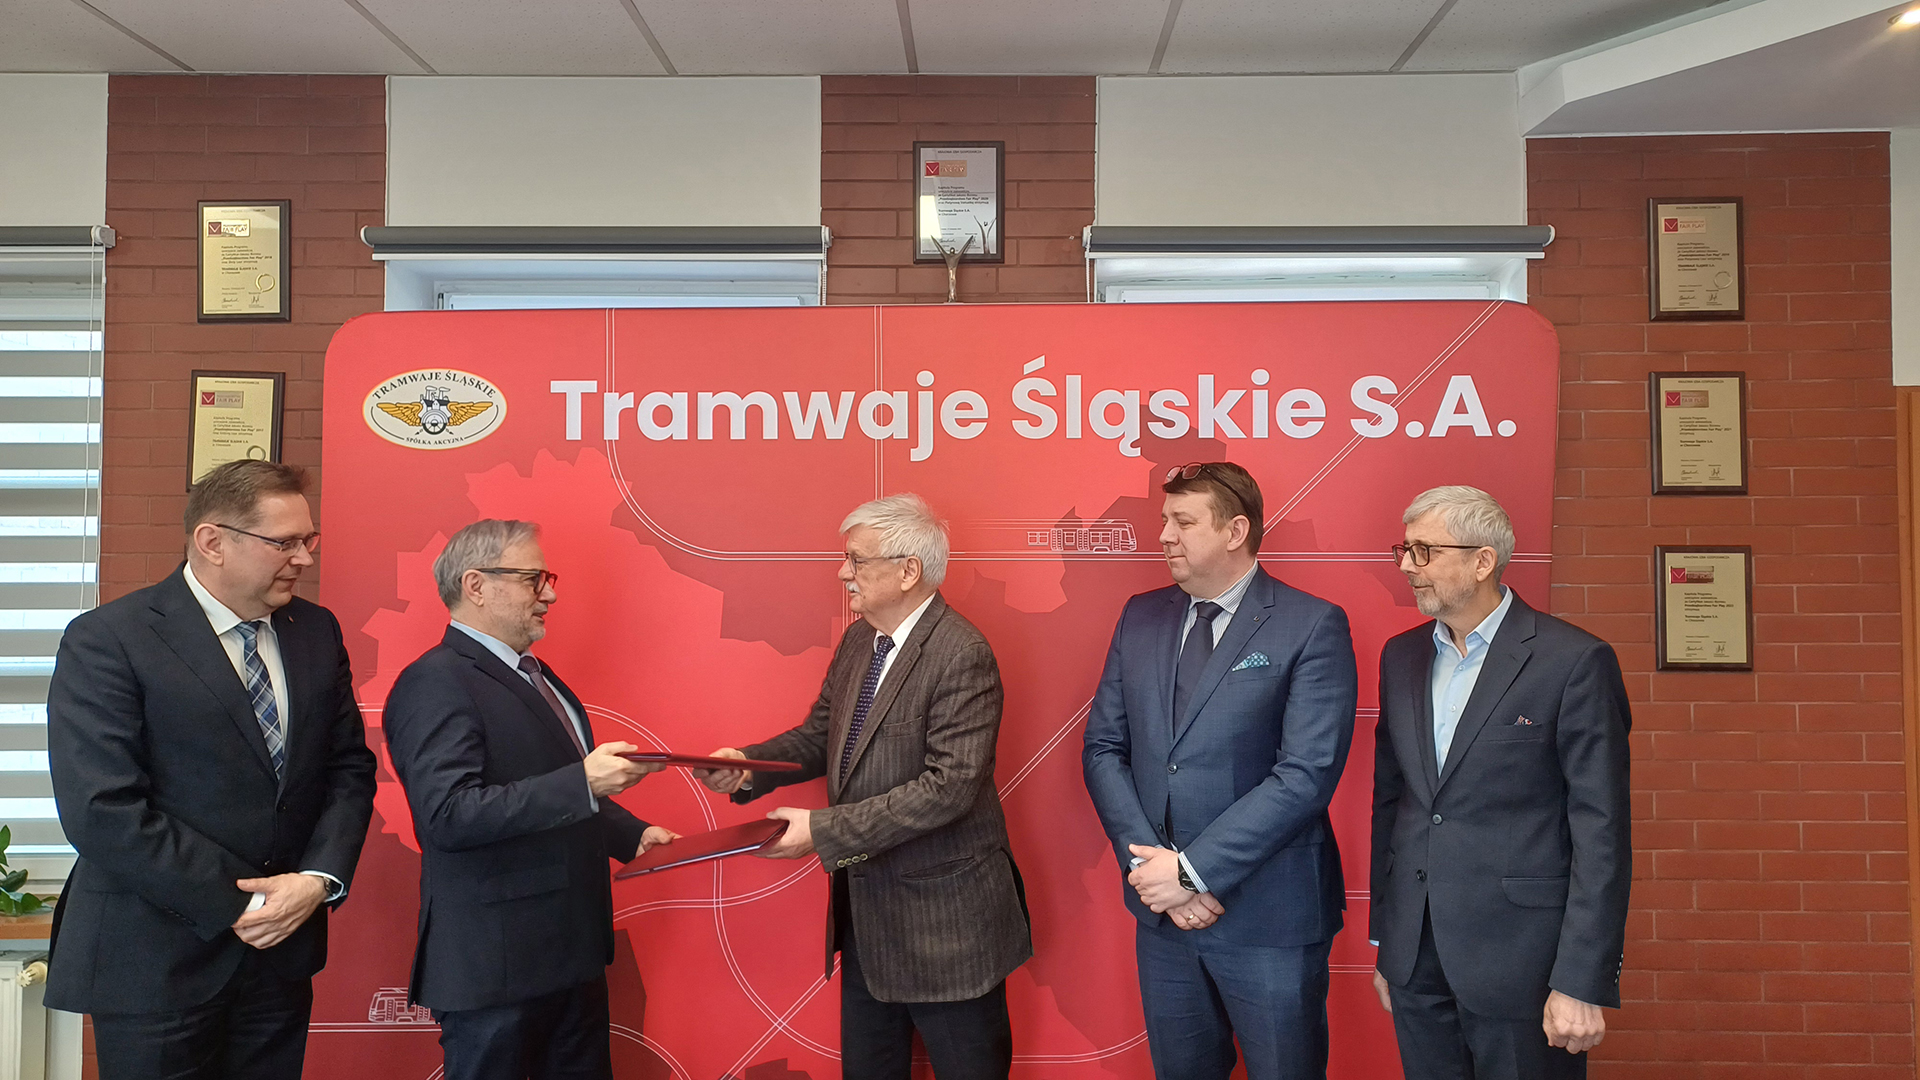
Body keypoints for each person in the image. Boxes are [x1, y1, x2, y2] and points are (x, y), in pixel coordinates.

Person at [45, 460, 377, 1079]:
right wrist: (246, 903)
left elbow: (348, 768)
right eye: (285, 542)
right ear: (212, 541)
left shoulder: (316, 631)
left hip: (280, 959)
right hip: (154, 961)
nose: (304, 558)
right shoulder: (109, 638)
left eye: (309, 540)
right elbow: (102, 809)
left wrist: (317, 879)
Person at [697, 493, 1031, 1080]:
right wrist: (749, 765)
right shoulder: (860, 642)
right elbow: (821, 735)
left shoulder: (962, 653)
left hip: (948, 930)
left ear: (908, 571)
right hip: (867, 924)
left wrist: (822, 831)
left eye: (856, 559)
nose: (842, 572)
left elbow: (949, 788)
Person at [1082, 461, 1358, 1080]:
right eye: (1164, 520)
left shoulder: (1311, 624)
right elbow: (1104, 748)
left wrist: (1192, 872)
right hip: (1163, 917)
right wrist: (1154, 871)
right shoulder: (1141, 616)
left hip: (1270, 919)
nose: (1164, 536)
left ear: (1235, 531)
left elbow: (1305, 775)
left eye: (1183, 522)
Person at [382, 519, 676, 1080]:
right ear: (476, 585)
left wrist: (633, 835)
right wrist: (583, 782)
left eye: (548, 578)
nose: (550, 595)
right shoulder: (435, 681)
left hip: (570, 956)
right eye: (532, 579)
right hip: (497, 970)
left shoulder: (537, 676)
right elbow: (449, 815)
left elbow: (552, 782)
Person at [1370, 486, 1631, 1079]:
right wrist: (1388, 940)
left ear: (1483, 561)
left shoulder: (1573, 661)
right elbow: (1394, 804)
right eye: (1404, 549)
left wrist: (1580, 979)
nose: (1407, 566)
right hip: (1416, 959)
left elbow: (1602, 833)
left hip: (1524, 966)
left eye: (1424, 551)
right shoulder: (1401, 657)